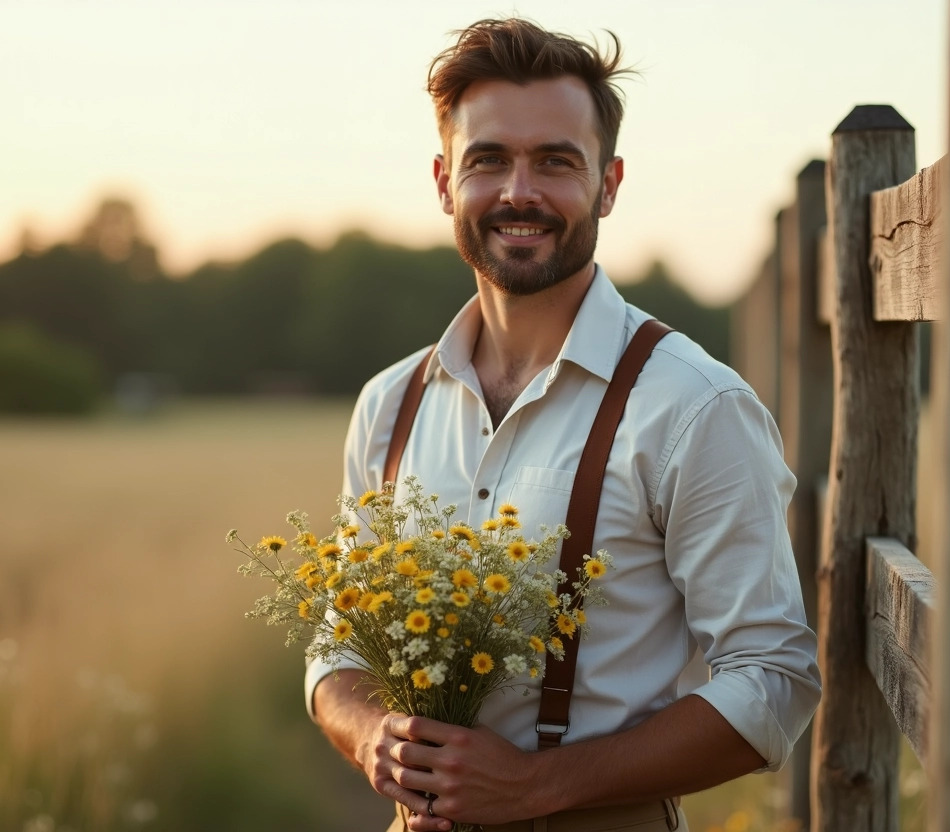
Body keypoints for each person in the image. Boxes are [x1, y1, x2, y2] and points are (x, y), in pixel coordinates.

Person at [304, 18, 820, 832]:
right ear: (444, 182)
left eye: (555, 161)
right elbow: (338, 648)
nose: (519, 192)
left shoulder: (695, 407)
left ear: (608, 183)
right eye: (488, 160)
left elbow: (773, 680)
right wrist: (373, 734)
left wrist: (537, 786)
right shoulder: (389, 404)